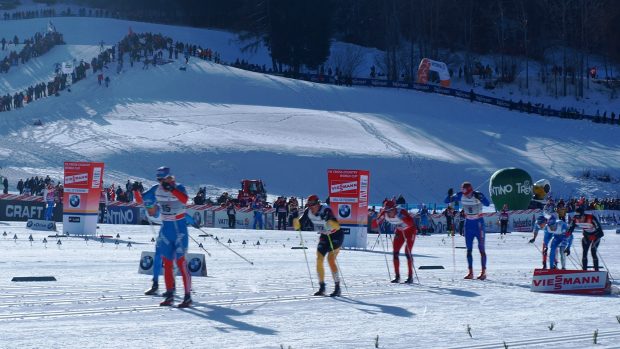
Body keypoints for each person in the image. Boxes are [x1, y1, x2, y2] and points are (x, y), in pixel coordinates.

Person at [140, 166, 192, 307]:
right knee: (167, 264)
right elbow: (145, 202)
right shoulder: (156, 189)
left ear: (170, 177)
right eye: (159, 179)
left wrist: (172, 189)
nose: (162, 182)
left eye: (164, 179)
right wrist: (136, 191)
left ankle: (187, 296)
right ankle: (169, 295)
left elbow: (185, 199)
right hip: (166, 229)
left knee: (181, 263)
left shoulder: (179, 187)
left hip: (179, 229)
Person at [294, 194, 344, 297]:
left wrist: (330, 222)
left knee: (330, 260)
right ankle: (322, 287)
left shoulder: (326, 210)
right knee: (319, 258)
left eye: (312, 205)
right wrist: (297, 223)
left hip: (336, 236)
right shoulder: (308, 212)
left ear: (318, 204)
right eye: (309, 205)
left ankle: (337, 287)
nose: (311, 208)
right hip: (324, 236)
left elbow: (337, 225)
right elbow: (301, 222)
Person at [445, 182, 491, 280]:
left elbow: (487, 204)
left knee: (481, 249)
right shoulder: (461, 195)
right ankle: (470, 272)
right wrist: (449, 196)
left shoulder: (478, 195)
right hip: (468, 223)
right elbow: (446, 201)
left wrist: (481, 197)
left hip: (479, 224)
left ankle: (483, 272)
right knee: (469, 249)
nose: (467, 195)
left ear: (471, 190)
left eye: (468, 193)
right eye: (465, 193)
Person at [374, 199, 417, 283]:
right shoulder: (384, 213)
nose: (388, 213)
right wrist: (377, 222)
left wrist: (403, 219)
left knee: (407, 252)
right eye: (387, 211)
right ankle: (397, 276)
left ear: (394, 209)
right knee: (395, 252)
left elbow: (411, 223)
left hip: (410, 230)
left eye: (390, 211)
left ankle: (410, 276)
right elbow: (374, 223)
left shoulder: (401, 212)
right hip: (400, 231)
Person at [566, 200, 605, 271]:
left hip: (596, 236)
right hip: (586, 236)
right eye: (577, 217)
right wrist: (568, 234)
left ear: (583, 215)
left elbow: (601, 233)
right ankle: (584, 271)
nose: (579, 219)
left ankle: (596, 271)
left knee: (593, 251)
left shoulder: (591, 218)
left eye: (580, 217)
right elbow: (570, 228)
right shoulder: (575, 219)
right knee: (584, 252)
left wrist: (594, 236)